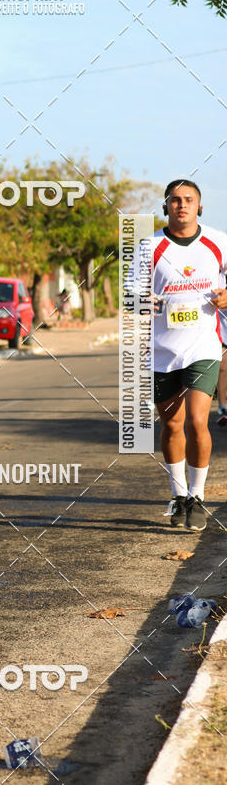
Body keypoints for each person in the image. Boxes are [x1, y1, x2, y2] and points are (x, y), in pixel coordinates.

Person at [152, 179, 227, 531]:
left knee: (198, 420)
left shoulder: (217, 242)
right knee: (172, 424)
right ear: (165, 206)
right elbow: (131, 294)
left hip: (203, 346)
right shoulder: (148, 246)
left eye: (189, 200)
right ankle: (178, 495)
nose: (182, 205)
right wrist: (143, 301)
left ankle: (197, 497)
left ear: (199, 206)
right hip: (163, 350)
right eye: (175, 200)